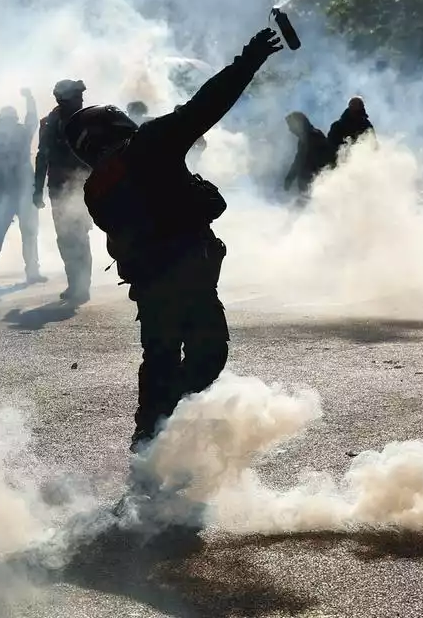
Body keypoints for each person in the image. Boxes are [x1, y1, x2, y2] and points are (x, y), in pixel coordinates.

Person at [62, 28, 284, 451]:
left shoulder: (96, 189)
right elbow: (207, 105)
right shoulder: (148, 145)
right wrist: (249, 59)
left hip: (151, 284)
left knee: (160, 358)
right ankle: (164, 423)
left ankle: (150, 434)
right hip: (187, 271)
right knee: (207, 355)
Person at [34, 79, 94, 304]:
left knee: (80, 236)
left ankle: (82, 286)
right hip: (59, 187)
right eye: (77, 97)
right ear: (64, 100)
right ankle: (75, 284)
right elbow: (42, 156)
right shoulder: (50, 124)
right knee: (66, 238)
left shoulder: (88, 119)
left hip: (83, 185)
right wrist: (37, 190)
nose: (81, 100)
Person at [0, 90, 41, 294]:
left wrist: (30, 100)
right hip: (8, 192)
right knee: (3, 233)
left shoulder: (19, 134)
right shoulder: (0, 137)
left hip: (18, 191)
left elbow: (33, 120)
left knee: (27, 232)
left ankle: (31, 271)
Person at [283, 111, 334, 196]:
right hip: (309, 183)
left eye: (291, 125)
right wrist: (290, 177)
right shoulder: (305, 137)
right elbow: (299, 159)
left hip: (314, 184)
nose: (290, 129)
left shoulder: (313, 136)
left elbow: (318, 161)